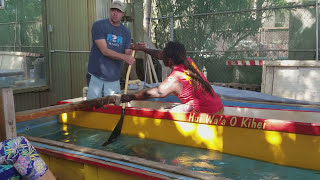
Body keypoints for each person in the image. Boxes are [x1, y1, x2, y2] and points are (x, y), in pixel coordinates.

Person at [121, 41, 224, 114]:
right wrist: (143, 49)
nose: (161, 56)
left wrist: (130, 97)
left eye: (164, 55)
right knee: (171, 108)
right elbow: (159, 54)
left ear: (169, 61)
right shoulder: (188, 61)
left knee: (164, 114)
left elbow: (151, 93)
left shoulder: (173, 80)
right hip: (219, 107)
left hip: (208, 115)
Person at [86, 0, 135, 100]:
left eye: (118, 11)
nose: (115, 13)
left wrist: (135, 48)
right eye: (113, 10)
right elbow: (104, 50)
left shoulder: (126, 32)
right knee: (93, 107)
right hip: (96, 76)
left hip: (114, 78)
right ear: (110, 11)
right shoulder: (99, 26)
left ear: (123, 14)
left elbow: (127, 52)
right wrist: (125, 57)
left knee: (113, 109)